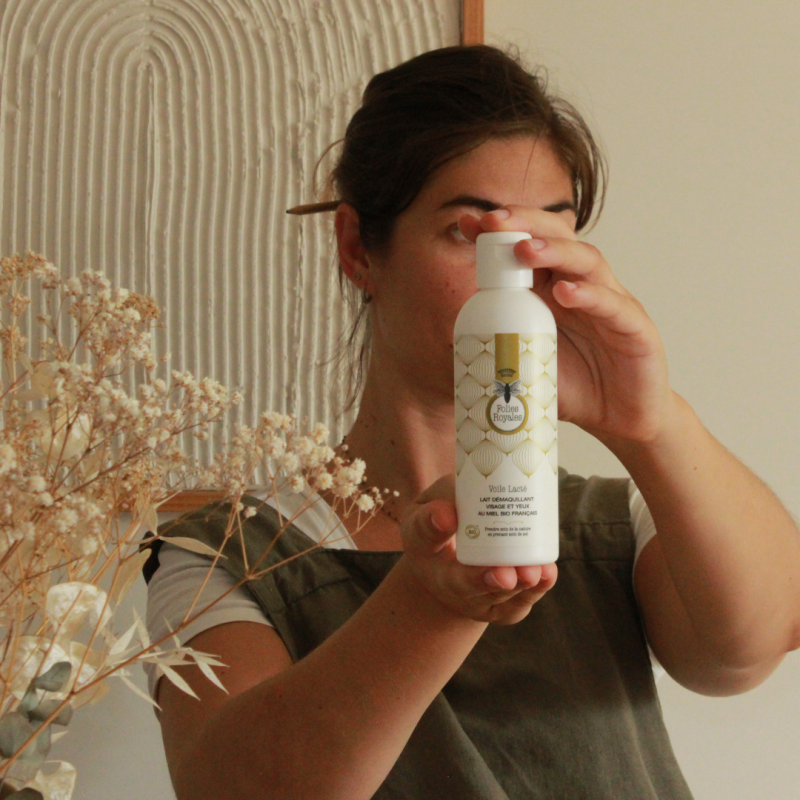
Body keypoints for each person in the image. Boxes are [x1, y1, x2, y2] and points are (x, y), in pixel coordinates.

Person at [143, 45, 800, 799]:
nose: (524, 265)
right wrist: (432, 604)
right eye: (472, 232)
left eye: (551, 229)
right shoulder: (220, 556)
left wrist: (652, 424)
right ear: (358, 249)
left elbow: (750, 650)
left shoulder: (610, 522)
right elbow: (234, 790)